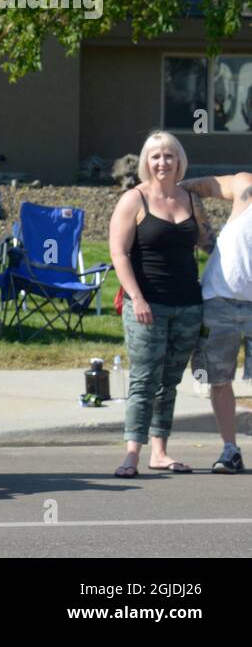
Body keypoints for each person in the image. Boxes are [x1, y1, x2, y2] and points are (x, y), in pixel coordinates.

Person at [109, 131, 213, 478]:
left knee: (169, 381)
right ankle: (131, 455)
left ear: (179, 160)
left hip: (187, 304)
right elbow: (118, 254)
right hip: (147, 305)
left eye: (169, 155)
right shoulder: (133, 199)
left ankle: (160, 451)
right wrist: (137, 297)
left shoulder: (190, 200)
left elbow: (210, 246)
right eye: (155, 156)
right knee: (143, 379)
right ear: (146, 162)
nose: (162, 162)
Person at [182, 170, 252, 473]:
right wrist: (206, 236)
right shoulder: (244, 184)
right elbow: (190, 188)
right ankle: (230, 450)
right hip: (219, 299)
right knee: (218, 379)